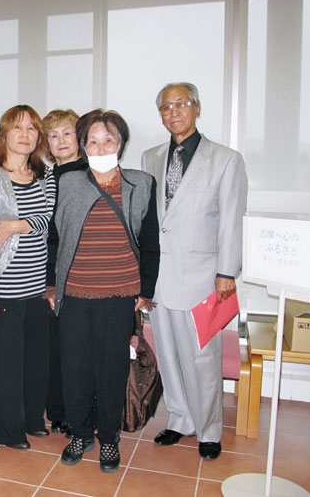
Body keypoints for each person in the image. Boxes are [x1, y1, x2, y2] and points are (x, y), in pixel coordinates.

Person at [141, 82, 247, 460]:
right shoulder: (151, 157)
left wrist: (226, 272)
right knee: (168, 354)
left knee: (202, 358)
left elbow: (231, 219)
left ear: (197, 108)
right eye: (166, 107)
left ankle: (209, 428)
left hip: (203, 276)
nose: (174, 112)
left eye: (181, 104)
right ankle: (180, 418)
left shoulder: (225, 159)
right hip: (161, 276)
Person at [52, 109, 160, 472]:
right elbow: (55, 236)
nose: (101, 147)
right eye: (93, 141)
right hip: (75, 293)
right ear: (83, 146)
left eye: (108, 140)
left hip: (119, 294)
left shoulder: (140, 184)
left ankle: (109, 438)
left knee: (112, 369)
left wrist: (146, 291)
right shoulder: (68, 182)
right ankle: (81, 434)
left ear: (121, 144)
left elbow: (151, 243)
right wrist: (51, 286)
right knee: (75, 369)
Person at [0, 105, 56, 450]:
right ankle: (8, 430)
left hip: (36, 288)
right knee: (7, 363)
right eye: (17, 128)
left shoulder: (45, 176)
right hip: (3, 286)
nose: (25, 135)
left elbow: (48, 219)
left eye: (31, 129)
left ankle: (33, 419)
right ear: (4, 134)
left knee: (35, 360)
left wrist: (16, 225)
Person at [41, 109, 87, 436]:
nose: (60, 140)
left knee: (76, 348)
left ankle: (77, 413)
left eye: (67, 133)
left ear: (79, 138)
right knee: (52, 348)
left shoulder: (90, 174)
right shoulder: (43, 177)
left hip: (80, 273)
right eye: (53, 135)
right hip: (45, 272)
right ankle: (57, 412)